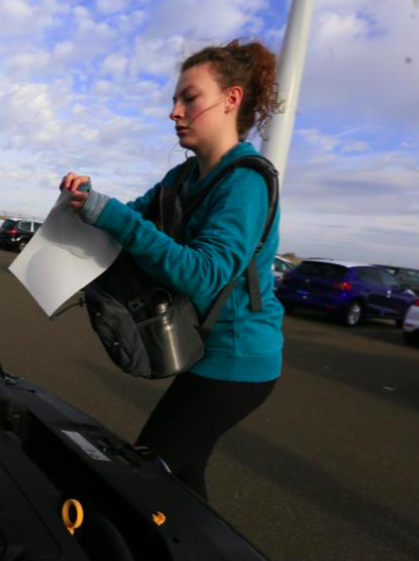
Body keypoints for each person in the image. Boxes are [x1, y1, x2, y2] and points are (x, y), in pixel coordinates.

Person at [60, 40, 283, 501]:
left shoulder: (246, 181)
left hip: (239, 360)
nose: (174, 111)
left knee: (143, 473)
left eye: (190, 98)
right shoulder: (181, 178)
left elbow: (205, 273)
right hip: (204, 347)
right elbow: (130, 218)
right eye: (174, 100)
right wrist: (89, 198)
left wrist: (114, 216)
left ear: (231, 99)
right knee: (182, 477)